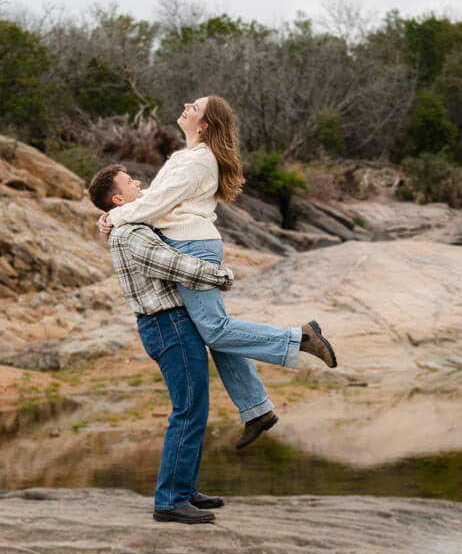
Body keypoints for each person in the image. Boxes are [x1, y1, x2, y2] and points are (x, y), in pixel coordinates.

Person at [93, 95, 337, 450]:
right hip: (186, 244)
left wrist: (112, 217)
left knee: (216, 330)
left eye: (195, 107)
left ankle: (300, 338)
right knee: (217, 333)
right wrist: (111, 215)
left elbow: (157, 204)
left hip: (193, 246)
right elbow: (149, 199)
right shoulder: (185, 157)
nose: (187, 106)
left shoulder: (201, 160)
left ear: (205, 125)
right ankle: (257, 409)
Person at [93, 178, 237, 524]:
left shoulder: (129, 225)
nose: (138, 183)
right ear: (117, 198)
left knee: (195, 406)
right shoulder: (130, 234)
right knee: (187, 408)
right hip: (166, 323)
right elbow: (171, 263)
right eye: (130, 182)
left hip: (169, 323)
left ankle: (184, 489)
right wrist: (219, 275)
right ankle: (170, 500)